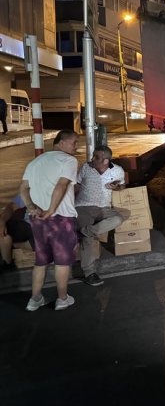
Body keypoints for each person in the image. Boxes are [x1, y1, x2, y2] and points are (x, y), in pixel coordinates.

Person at [20, 129, 79, 311]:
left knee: (41, 260)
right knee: (62, 261)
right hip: (60, 219)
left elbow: (23, 188)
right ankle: (62, 299)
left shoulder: (35, 162)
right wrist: (51, 210)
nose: (76, 147)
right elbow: (61, 185)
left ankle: (35, 299)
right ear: (62, 143)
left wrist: (31, 207)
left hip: (37, 219)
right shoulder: (68, 160)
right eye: (74, 143)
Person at [75, 145, 126, 286]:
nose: (92, 159)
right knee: (88, 240)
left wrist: (116, 187)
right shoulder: (86, 167)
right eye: (93, 155)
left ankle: (86, 231)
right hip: (83, 207)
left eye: (96, 157)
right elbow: (76, 185)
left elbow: (123, 186)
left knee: (118, 218)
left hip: (104, 208)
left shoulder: (117, 171)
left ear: (106, 161)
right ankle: (89, 273)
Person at [0, 194, 35, 267]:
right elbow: (11, 206)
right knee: (4, 235)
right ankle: (7, 265)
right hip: (26, 224)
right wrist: (2, 221)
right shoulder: (30, 190)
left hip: (44, 229)